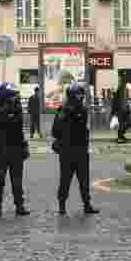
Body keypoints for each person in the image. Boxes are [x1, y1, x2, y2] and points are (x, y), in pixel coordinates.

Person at [0, 82, 30, 217]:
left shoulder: (17, 108)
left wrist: (23, 146)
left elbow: (19, 130)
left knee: (17, 179)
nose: (16, 97)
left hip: (16, 148)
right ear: (6, 96)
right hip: (1, 150)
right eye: (13, 95)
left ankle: (19, 205)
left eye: (16, 95)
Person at [51, 82, 96, 216]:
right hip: (67, 151)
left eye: (82, 94)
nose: (81, 97)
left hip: (81, 150)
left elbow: (84, 129)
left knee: (84, 180)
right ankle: (62, 206)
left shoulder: (83, 110)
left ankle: (87, 204)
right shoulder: (63, 111)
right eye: (78, 94)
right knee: (65, 180)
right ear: (71, 95)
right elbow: (55, 131)